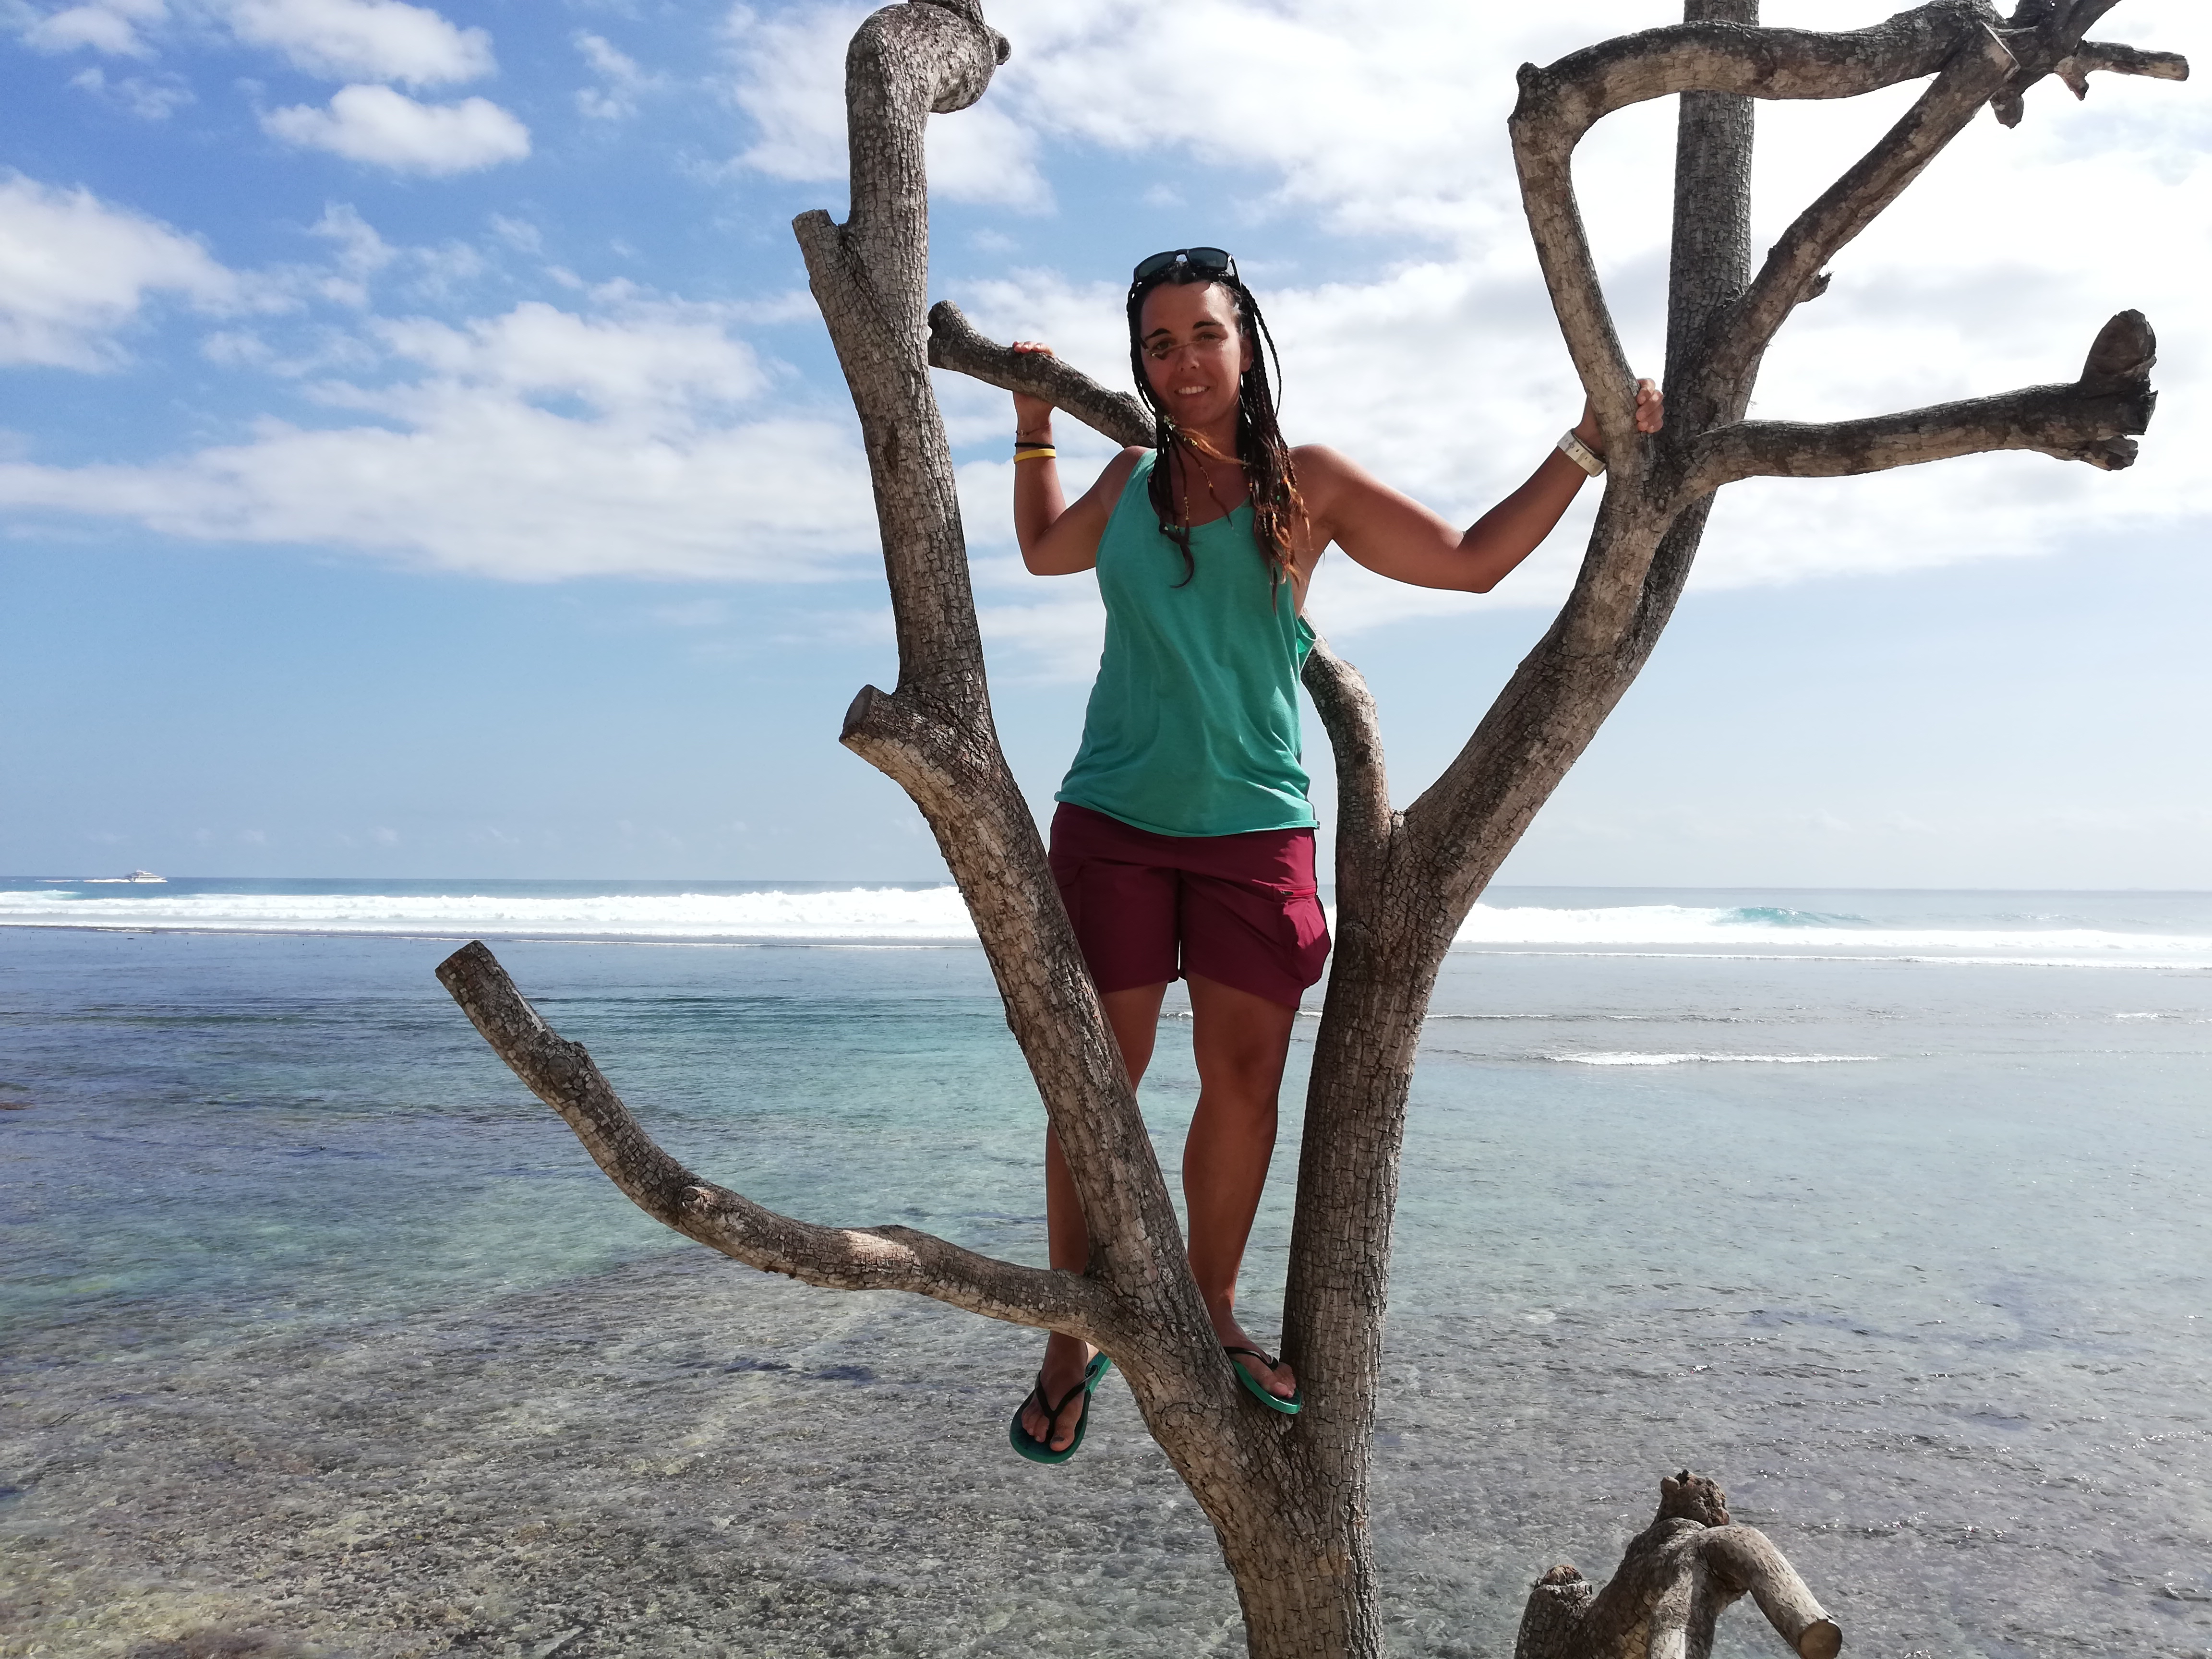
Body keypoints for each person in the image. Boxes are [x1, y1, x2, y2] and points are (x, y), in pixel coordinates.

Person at [1007, 247, 1663, 1462]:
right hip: (1114, 820)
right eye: (1159, 344)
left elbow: (1472, 561)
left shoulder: (1307, 483)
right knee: (1094, 1081)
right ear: (1141, 363)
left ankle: (1209, 1308)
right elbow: (1045, 551)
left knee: (1243, 1078)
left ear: (1245, 342)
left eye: (1204, 334)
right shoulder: (1130, 478)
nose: (1184, 362)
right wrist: (1033, 425)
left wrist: (1584, 447)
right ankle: (1069, 1333)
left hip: (1255, 828)